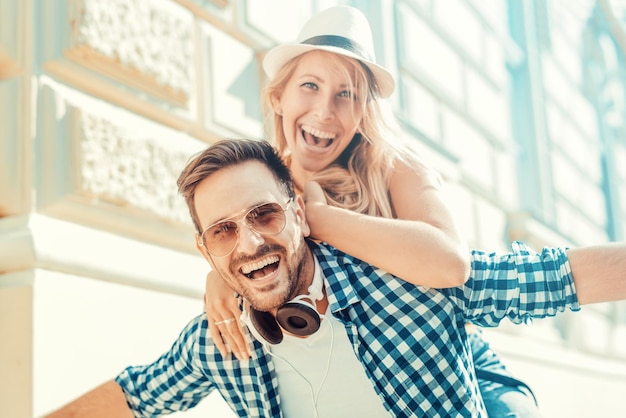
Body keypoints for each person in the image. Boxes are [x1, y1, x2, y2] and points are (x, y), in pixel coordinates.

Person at [44, 138, 626, 418]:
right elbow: (133, 395)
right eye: (222, 231)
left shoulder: (407, 281)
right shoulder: (219, 342)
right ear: (205, 249)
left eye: (264, 214)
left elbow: (555, 277)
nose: (249, 243)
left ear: (299, 211)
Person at [202, 5, 537, 416]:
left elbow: (450, 264)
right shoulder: (264, 187)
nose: (325, 111)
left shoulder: (394, 168)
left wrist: (322, 220)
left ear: (363, 111)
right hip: (361, 374)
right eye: (310, 85)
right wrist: (219, 278)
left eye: (347, 94)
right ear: (278, 97)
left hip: (456, 363)